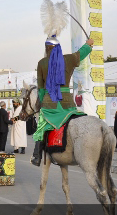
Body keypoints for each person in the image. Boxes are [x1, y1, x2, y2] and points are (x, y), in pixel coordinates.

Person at [30, 37, 94, 166]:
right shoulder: (68, 59)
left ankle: (37, 156)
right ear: (59, 48)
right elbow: (81, 53)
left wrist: (43, 102)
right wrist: (88, 45)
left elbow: (41, 88)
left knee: (42, 126)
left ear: (46, 48)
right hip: (67, 102)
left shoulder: (42, 63)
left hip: (50, 102)